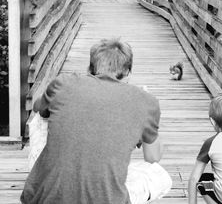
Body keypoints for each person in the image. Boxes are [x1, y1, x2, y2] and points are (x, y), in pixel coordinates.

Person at [21, 38, 172, 204]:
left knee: (42, 116)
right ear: (128, 73)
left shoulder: (63, 84)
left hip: (45, 199)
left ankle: (44, 179)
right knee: (160, 176)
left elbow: (37, 108)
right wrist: (150, 117)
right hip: (107, 199)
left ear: (89, 69)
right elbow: (153, 158)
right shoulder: (146, 102)